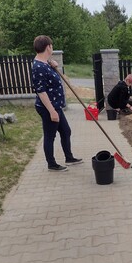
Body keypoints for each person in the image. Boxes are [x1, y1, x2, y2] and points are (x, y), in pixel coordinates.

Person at [32, 35, 82, 171]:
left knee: (66, 131)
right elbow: (41, 91)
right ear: (48, 47)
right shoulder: (38, 67)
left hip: (56, 106)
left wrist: (53, 65)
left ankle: (69, 157)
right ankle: (52, 164)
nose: (52, 47)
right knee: (50, 136)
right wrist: (52, 111)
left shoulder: (45, 63)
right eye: (51, 45)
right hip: (48, 107)